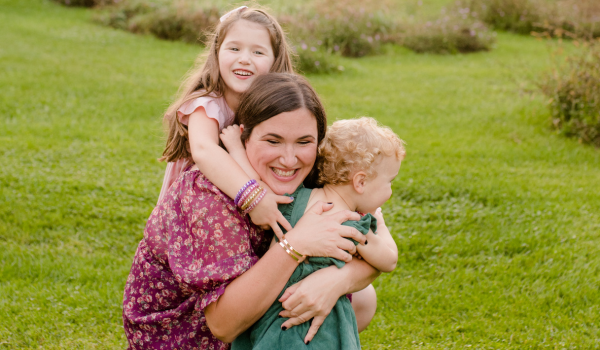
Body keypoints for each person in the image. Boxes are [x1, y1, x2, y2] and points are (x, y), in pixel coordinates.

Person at [122, 73, 381, 350]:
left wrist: (335, 281)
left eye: (304, 142)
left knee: (363, 298)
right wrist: (296, 244)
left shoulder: (318, 172)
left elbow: (379, 252)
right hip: (185, 332)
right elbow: (222, 325)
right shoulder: (208, 196)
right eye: (273, 140)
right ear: (244, 136)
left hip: (252, 308)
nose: (289, 159)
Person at [221, 117, 405, 349]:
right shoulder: (351, 225)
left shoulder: (291, 199)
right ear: (360, 182)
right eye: (389, 182)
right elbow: (389, 260)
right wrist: (379, 221)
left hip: (267, 322)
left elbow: (253, 181)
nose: (390, 191)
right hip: (314, 330)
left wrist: (235, 147)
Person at [158, 5, 296, 239]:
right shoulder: (207, 105)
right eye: (234, 48)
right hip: (195, 212)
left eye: (258, 53)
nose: (244, 60)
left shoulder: (271, 109)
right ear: (217, 53)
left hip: (233, 218)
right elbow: (205, 150)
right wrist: (254, 198)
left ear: (275, 61)